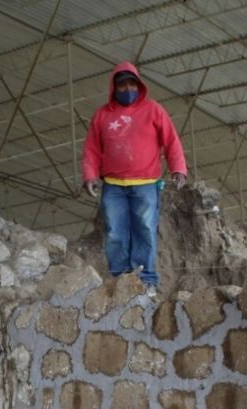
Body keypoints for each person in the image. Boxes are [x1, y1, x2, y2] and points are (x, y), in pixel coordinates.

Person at [82, 61, 187, 295]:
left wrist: (178, 168)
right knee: (115, 232)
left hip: (145, 184)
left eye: (131, 83)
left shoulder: (153, 110)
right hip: (114, 186)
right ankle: (120, 279)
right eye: (122, 85)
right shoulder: (102, 116)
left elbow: (171, 141)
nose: (127, 89)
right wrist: (90, 175)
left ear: (139, 85)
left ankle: (146, 280)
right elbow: (91, 149)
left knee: (144, 230)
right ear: (114, 88)